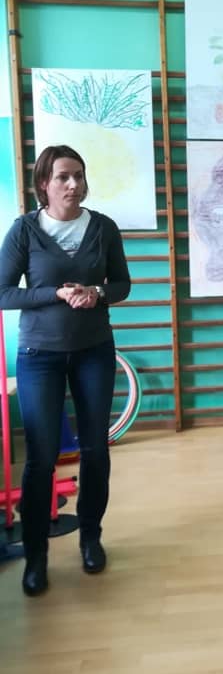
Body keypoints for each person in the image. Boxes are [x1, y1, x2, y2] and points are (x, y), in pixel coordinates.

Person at [0, 145, 131, 596]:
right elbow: (3, 292)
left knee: (95, 450)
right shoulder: (25, 231)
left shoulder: (103, 228)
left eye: (79, 175)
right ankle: (36, 556)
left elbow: (122, 285)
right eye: (63, 177)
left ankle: (90, 538)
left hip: (94, 351)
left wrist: (97, 292)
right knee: (41, 458)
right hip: (40, 355)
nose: (73, 184)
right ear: (44, 183)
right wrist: (54, 293)